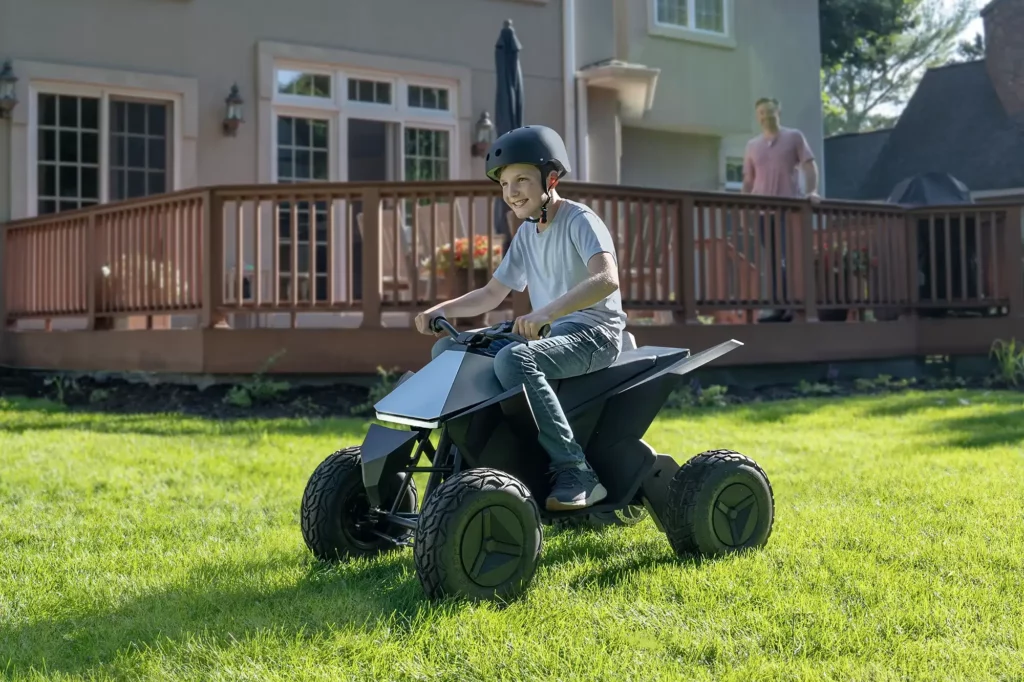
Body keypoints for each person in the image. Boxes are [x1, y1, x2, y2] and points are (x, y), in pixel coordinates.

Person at [414, 125, 626, 512]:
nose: (511, 192)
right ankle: (463, 463)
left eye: (522, 180)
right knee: (450, 347)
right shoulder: (528, 233)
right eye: (505, 183)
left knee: (514, 358)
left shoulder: (580, 220)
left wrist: (546, 311)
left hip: (595, 333)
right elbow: (492, 293)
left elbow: (607, 279)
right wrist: (443, 310)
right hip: (550, 331)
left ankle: (577, 471)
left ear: (551, 179)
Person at [742, 97, 820, 322]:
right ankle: (779, 306)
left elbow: (808, 165)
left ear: (778, 112)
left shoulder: (793, 137)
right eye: (761, 113)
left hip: (788, 209)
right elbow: (748, 180)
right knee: (773, 259)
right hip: (762, 212)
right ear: (758, 117)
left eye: (769, 111)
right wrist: (741, 207)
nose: (766, 116)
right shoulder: (752, 145)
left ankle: (785, 306)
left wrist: (812, 191)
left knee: (785, 258)